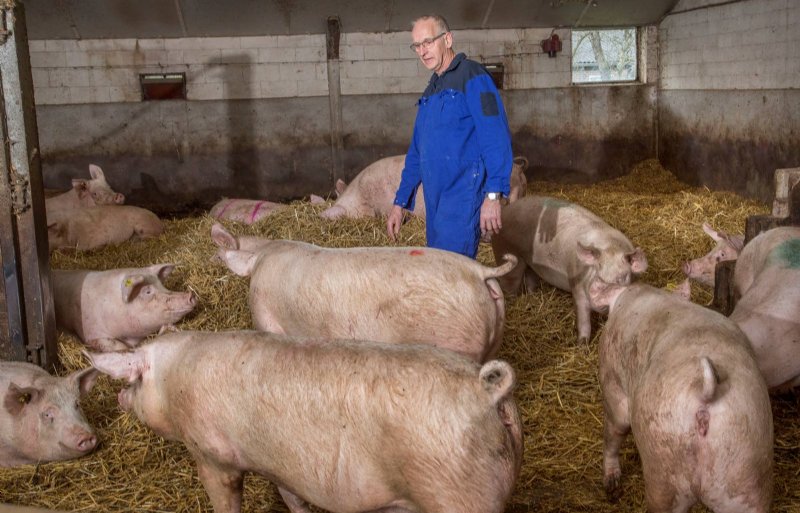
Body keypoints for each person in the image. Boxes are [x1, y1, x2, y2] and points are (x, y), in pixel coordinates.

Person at [386, 14, 513, 259]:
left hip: (463, 194)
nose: (423, 51)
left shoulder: (474, 77)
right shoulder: (431, 89)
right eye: (417, 46)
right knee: (442, 268)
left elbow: (495, 137)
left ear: (447, 39)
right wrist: (399, 203)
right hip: (435, 200)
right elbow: (416, 153)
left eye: (428, 42)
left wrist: (493, 195)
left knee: (451, 269)